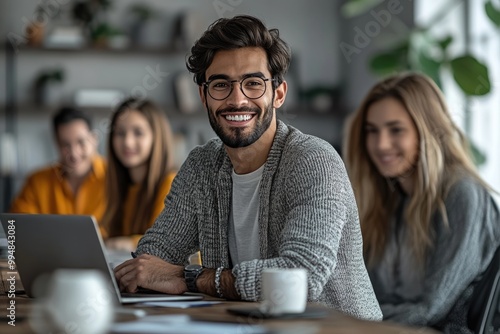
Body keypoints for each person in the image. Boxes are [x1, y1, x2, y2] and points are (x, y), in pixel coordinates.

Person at [114, 15, 382, 320]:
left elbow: (300, 277)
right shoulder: (202, 166)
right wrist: (155, 273)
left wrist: (192, 277)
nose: (237, 99)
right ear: (203, 96)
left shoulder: (313, 160)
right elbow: (152, 261)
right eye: (221, 85)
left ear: (278, 94)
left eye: (253, 83)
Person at [343, 72, 500, 332]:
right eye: (372, 131)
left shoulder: (463, 194)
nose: (381, 144)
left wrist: (354, 321)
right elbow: (364, 297)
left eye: (396, 130)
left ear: (428, 130)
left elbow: (433, 308)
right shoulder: (389, 200)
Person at [102, 97, 176, 252]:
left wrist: (123, 243)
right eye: (120, 133)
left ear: (156, 137)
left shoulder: (171, 184)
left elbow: (164, 243)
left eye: (138, 133)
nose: (127, 142)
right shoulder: (121, 186)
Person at [10, 106, 106, 224]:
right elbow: (15, 230)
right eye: (65, 144)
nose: (74, 153)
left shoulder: (116, 177)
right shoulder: (36, 182)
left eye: (81, 142)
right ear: (56, 144)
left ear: (94, 139)